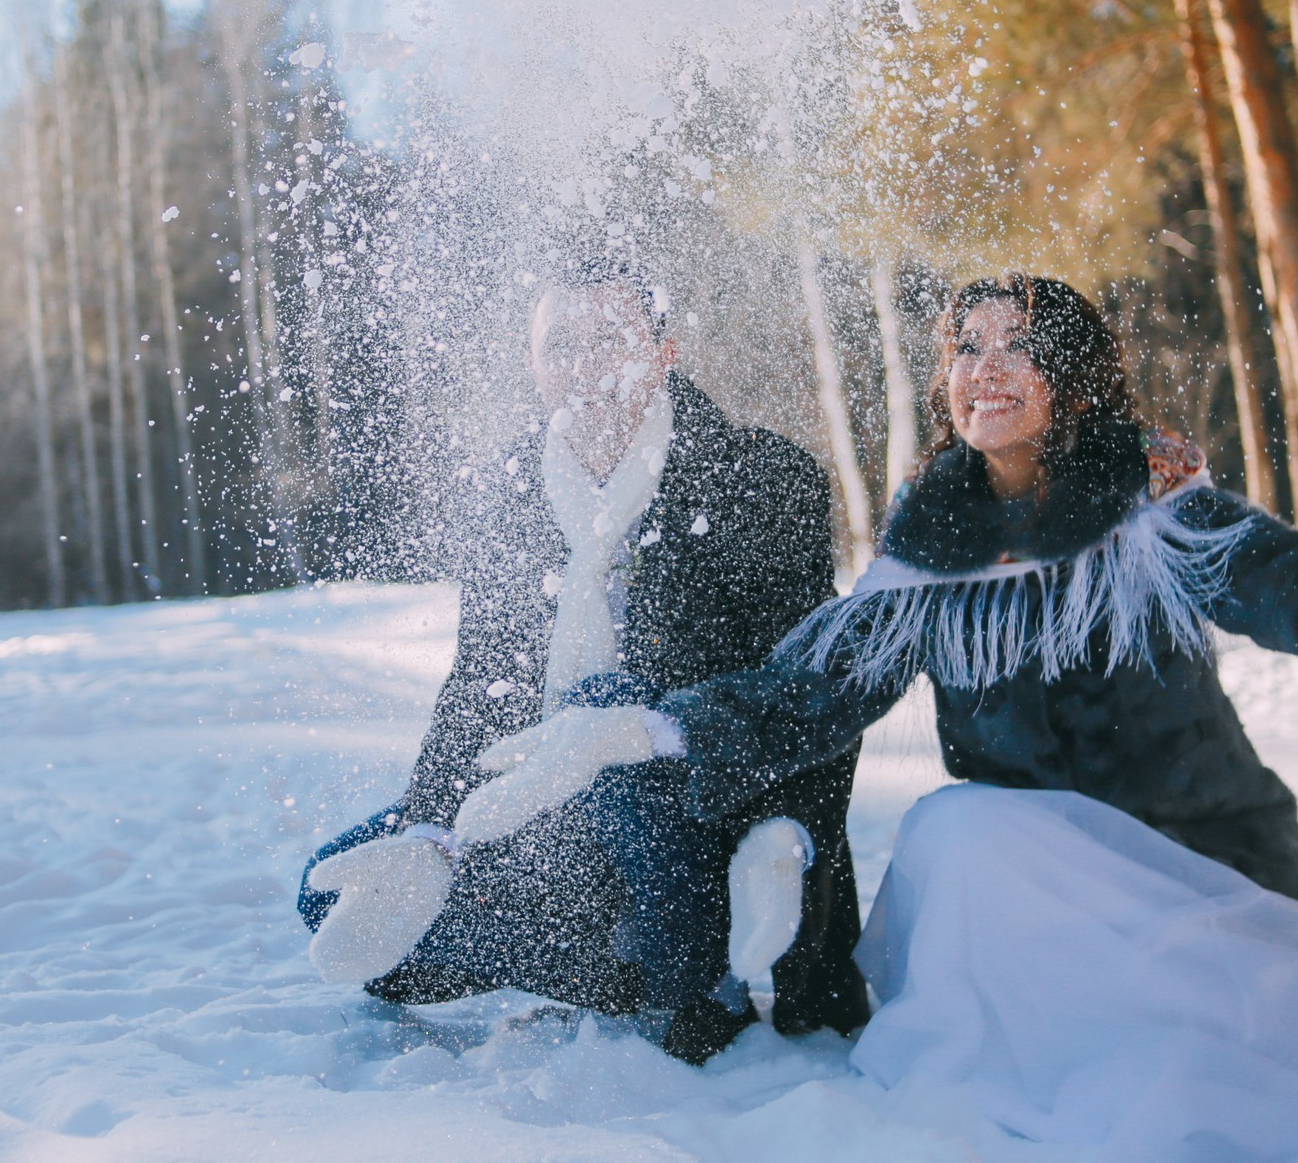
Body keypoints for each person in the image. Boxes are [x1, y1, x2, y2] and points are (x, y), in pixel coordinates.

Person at [448, 274, 1298, 1157]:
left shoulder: (1151, 507)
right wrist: (645, 729)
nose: (981, 371)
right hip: (1034, 913)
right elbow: (806, 687)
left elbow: (1281, 577)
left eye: (1014, 347)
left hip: (1195, 881)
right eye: (962, 347)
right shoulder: (928, 547)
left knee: (965, 838)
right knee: (966, 836)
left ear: (1068, 373)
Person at [298, 266, 870, 1063]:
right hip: (553, 822)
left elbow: (810, 698)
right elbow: (480, 682)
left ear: (666, 352)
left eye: (611, 340)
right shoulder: (509, 487)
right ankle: (632, 969)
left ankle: (690, 967)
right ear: (531, 365)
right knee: (322, 892)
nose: (584, 365)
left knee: (606, 703)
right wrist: (430, 830)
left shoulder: (758, 480)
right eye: (559, 345)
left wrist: (784, 842)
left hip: (707, 835)